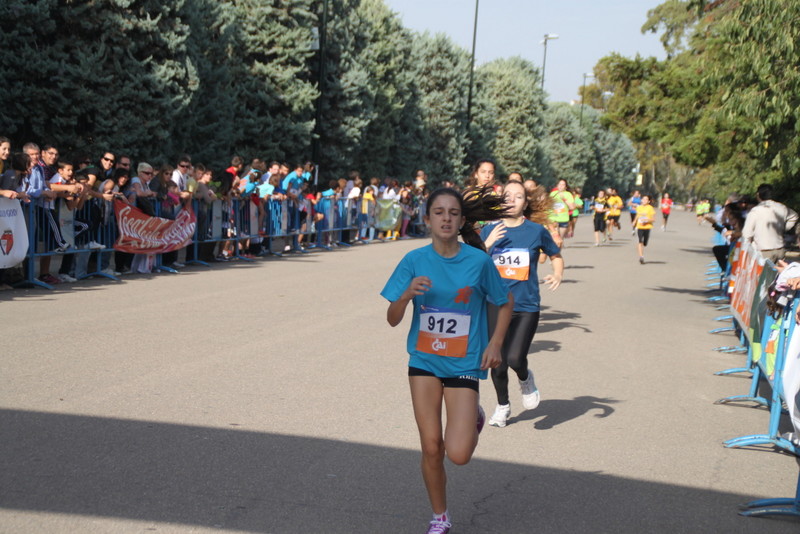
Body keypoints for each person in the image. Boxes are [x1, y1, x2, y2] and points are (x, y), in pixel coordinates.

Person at [381, 187, 513, 534]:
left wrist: (496, 343)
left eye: (453, 213)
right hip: (424, 361)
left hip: (464, 363)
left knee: (459, 454)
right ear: (427, 219)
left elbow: (505, 302)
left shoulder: (478, 262)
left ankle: (474, 416)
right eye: (438, 212)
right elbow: (392, 318)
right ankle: (440, 516)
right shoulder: (413, 261)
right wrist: (406, 295)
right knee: (431, 446)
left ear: (462, 220)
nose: (446, 219)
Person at [480, 180, 563, 428]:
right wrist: (487, 244)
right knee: (497, 361)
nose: (512, 200)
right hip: (494, 304)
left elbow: (556, 255)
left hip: (526, 305)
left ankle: (526, 379)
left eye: (518, 196)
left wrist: (557, 273)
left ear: (525, 203)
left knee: (515, 358)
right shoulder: (489, 230)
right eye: (507, 196)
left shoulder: (536, 231)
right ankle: (502, 406)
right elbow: (473, 263)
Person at [741, 183, 799, 263]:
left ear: (758, 195)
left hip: (763, 250)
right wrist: (784, 228)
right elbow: (794, 216)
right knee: (779, 270)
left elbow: (747, 234)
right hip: (780, 248)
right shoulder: (781, 207)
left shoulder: (755, 211)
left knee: (764, 271)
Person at [549, 179, 576, 246]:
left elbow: (572, 207)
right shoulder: (553, 194)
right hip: (553, 219)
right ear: (557, 185)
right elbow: (548, 205)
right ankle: (554, 251)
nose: (561, 186)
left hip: (563, 219)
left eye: (563, 185)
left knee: (560, 240)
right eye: (560, 184)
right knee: (555, 238)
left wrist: (564, 199)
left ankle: (558, 251)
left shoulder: (568, 194)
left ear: (565, 187)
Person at [634, 194, 656, 264]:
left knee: (645, 243)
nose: (644, 200)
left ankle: (644, 243)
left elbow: (653, 219)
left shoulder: (650, 208)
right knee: (640, 241)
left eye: (646, 199)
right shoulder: (639, 207)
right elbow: (637, 215)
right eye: (643, 199)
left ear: (649, 201)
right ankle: (641, 257)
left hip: (647, 227)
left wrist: (646, 221)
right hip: (640, 227)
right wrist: (634, 221)